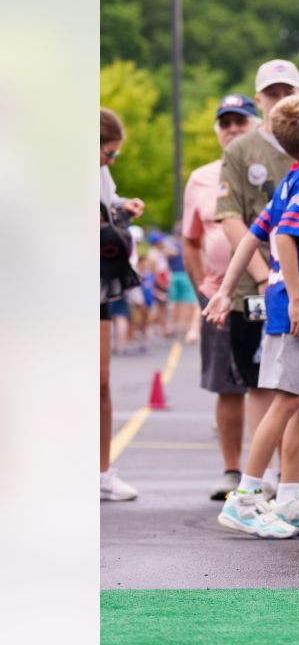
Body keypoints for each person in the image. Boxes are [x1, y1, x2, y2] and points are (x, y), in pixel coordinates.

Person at [205, 93, 299, 538]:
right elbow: (284, 237)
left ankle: (288, 498)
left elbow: (249, 237)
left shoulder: (292, 179)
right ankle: (246, 497)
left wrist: (225, 291)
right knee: (286, 400)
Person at [215, 59, 299, 499]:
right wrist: (263, 274)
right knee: (259, 380)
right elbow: (230, 216)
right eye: (271, 93)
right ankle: (263, 473)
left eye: (287, 91)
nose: (280, 100)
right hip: (257, 287)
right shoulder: (241, 150)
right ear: (259, 100)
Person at [183, 93, 259, 499]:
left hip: (268, 294)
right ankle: (232, 471)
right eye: (225, 123)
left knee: (275, 387)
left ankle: (276, 474)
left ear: (256, 124)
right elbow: (190, 240)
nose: (232, 129)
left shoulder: (270, 166)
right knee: (228, 387)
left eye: (240, 121)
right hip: (221, 299)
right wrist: (202, 288)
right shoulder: (201, 178)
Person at [100, 107, 144, 501]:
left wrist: (123, 207)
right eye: (108, 153)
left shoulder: (101, 173)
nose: (110, 161)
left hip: (97, 286)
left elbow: (109, 202)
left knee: (99, 381)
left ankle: (102, 473)